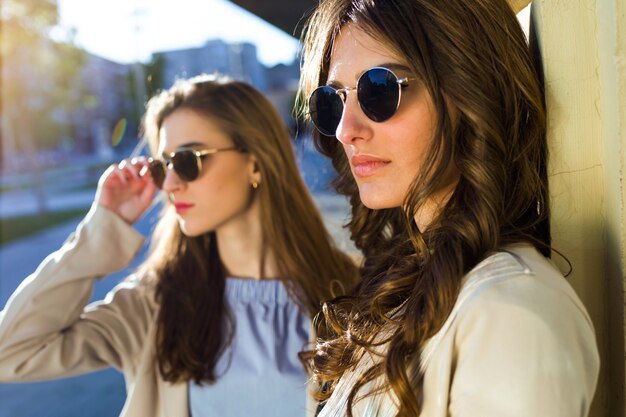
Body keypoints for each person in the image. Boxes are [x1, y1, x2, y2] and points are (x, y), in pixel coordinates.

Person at [297, 0, 600, 416]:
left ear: (469, 88)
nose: (347, 130)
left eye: (378, 90)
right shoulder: (407, 290)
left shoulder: (509, 315)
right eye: (332, 100)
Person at [0, 75, 358, 417]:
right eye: (163, 166)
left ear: (255, 161)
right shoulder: (155, 303)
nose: (170, 184)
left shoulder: (351, 291)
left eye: (188, 161)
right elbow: (11, 353)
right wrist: (102, 228)